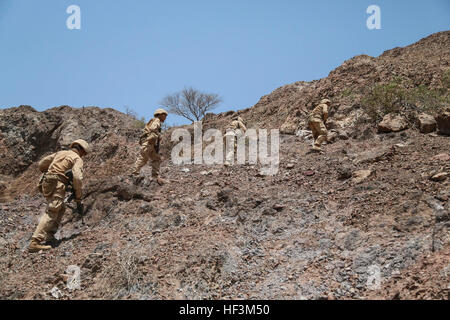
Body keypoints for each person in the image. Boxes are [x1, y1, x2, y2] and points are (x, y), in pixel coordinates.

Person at [29, 139, 89, 253]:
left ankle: (49, 236)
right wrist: (78, 196)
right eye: (84, 153)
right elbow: (77, 178)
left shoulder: (60, 153)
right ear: (81, 150)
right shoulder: (77, 159)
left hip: (47, 182)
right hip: (58, 184)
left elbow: (42, 164)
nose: (83, 155)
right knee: (52, 211)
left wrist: (52, 171)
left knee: (61, 208)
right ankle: (35, 242)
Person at [132, 108, 168, 185]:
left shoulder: (156, 121)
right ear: (161, 115)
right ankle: (134, 174)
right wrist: (159, 135)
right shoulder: (156, 120)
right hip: (148, 143)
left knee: (157, 159)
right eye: (165, 115)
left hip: (151, 145)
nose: (165, 117)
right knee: (143, 158)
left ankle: (155, 176)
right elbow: (152, 129)